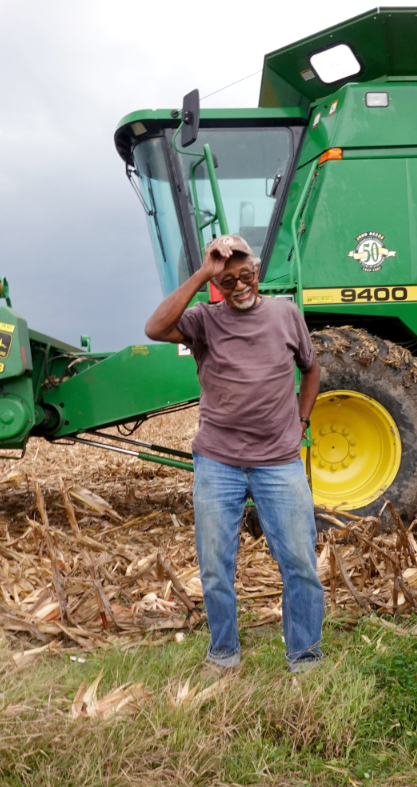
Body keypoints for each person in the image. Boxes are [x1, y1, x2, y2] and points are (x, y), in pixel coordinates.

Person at [145, 234, 324, 673]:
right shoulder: (204, 321)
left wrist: (301, 421)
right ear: (217, 285)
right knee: (215, 567)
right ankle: (223, 653)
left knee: (300, 561)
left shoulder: (286, 314)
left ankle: (304, 654)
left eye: (246, 275)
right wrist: (204, 272)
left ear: (257, 272)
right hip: (218, 461)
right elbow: (154, 328)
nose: (240, 286)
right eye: (228, 281)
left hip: (279, 460)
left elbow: (312, 368)